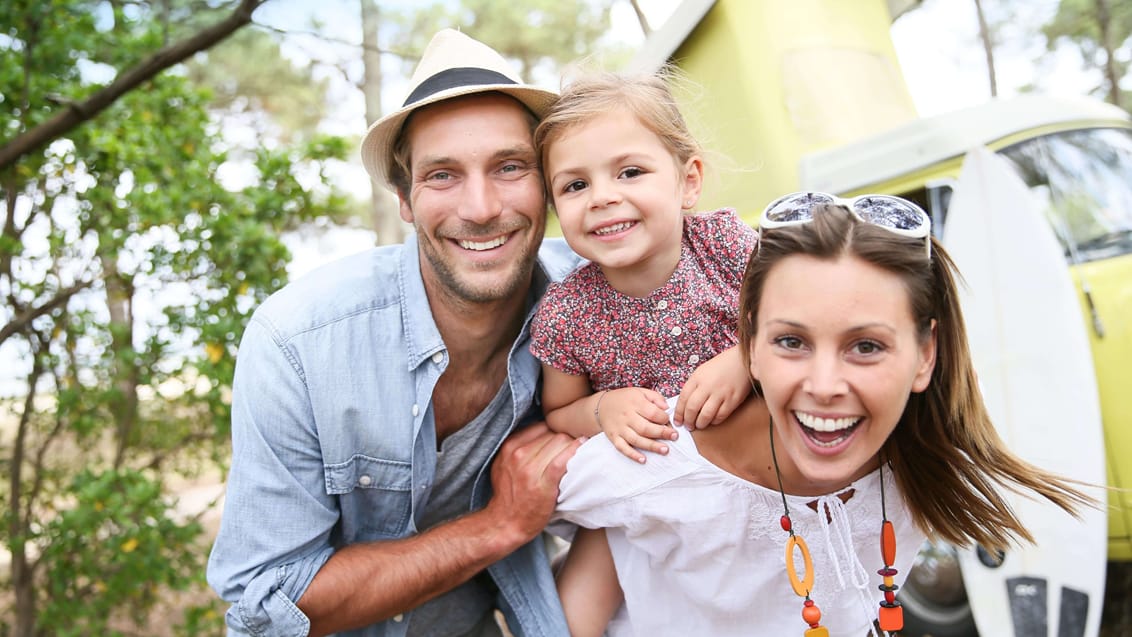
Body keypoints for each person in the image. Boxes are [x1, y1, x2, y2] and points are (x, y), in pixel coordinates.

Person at [550, 193, 1094, 636]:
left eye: (866, 347)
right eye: (791, 341)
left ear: (925, 355)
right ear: (749, 346)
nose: (826, 387)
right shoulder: (655, 456)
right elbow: (520, 498)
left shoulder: (928, 450)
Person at [206, 29, 585, 637]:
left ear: (549, 182)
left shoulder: (597, 300)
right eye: (442, 175)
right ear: (404, 199)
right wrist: (500, 524)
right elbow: (266, 604)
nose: (482, 207)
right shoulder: (299, 342)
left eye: (510, 166)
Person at [528, 70, 758, 463]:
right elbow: (560, 411)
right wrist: (603, 410)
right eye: (575, 185)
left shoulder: (724, 245)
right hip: (667, 487)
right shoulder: (565, 313)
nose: (601, 197)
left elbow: (803, 322)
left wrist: (747, 359)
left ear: (688, 182)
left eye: (630, 172)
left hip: (766, 459)